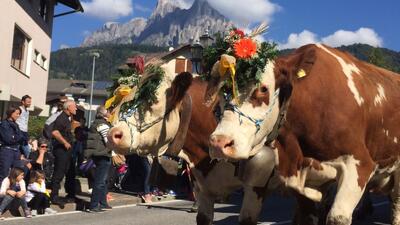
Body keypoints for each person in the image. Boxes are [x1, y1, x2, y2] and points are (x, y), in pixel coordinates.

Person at [84, 106, 112, 212]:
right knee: (100, 181)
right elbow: (108, 140)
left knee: (102, 181)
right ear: (104, 114)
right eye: (108, 112)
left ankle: (103, 203)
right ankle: (94, 205)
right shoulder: (103, 125)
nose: (110, 113)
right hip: (103, 154)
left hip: (97, 154)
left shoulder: (96, 123)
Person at [50, 100, 77, 206]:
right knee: (59, 173)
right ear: (68, 107)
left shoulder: (68, 118)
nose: (75, 108)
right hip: (61, 150)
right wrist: (65, 142)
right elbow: (55, 132)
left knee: (70, 172)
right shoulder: (61, 118)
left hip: (68, 151)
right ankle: (54, 197)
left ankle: (70, 195)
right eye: (74, 107)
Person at [0, 107, 24, 183]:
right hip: (7, 151)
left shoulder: (16, 125)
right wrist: (16, 137)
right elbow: (8, 139)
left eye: (19, 114)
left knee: (17, 173)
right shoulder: (4, 124)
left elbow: (21, 137)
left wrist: (15, 137)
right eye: (17, 113)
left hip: (16, 151)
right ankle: (2, 192)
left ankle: (12, 191)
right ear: (11, 113)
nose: (18, 115)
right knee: (4, 173)